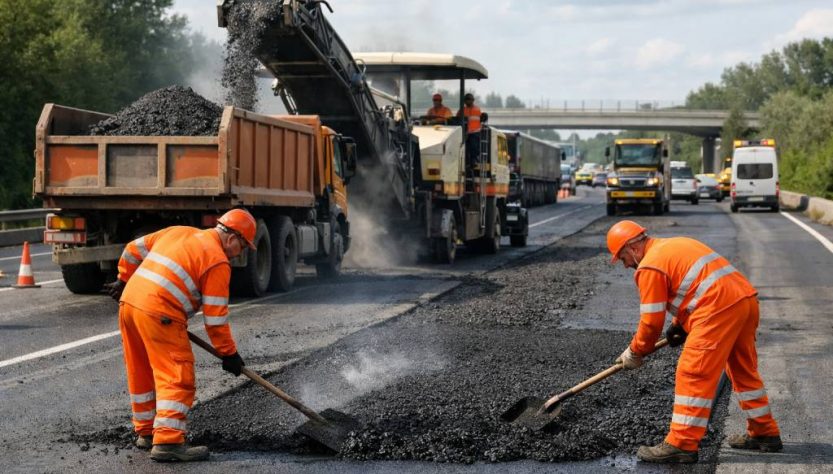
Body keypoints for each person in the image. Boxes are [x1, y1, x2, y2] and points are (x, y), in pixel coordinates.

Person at [607, 220, 781, 464]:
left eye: (623, 258)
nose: (626, 265)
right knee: (743, 370)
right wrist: (679, 325)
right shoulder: (675, 244)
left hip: (717, 310)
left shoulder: (649, 266)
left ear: (632, 248)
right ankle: (765, 432)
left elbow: (651, 323)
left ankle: (682, 443)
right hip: (745, 301)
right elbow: (695, 285)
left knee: (692, 372)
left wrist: (635, 352)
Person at [105, 208, 256, 462]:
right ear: (232, 238)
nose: (239, 253)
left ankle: (146, 432)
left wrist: (123, 279)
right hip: (160, 313)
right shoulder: (217, 261)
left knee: (141, 370)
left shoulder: (179, 232)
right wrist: (229, 354)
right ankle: (168, 441)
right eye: (242, 247)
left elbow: (132, 249)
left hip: (129, 304)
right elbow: (215, 320)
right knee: (177, 374)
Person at [456, 93, 482, 168]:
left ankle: (473, 161)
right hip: (464, 132)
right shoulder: (462, 110)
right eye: (467, 99)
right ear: (464, 101)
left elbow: (480, 120)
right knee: (465, 148)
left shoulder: (477, 109)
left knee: (474, 147)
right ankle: (466, 162)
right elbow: (457, 119)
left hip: (475, 132)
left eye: (470, 99)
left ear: (473, 100)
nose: (468, 101)